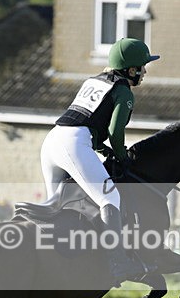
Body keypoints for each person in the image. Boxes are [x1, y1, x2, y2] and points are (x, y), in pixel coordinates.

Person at [40, 37, 160, 284]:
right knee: (110, 198)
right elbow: (116, 132)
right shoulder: (123, 91)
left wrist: (103, 149)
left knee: (55, 207)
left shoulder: (93, 81)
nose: (145, 71)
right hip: (73, 143)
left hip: (52, 141)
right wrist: (122, 155)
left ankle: (54, 265)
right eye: (142, 67)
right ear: (130, 70)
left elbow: (87, 121)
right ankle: (117, 263)